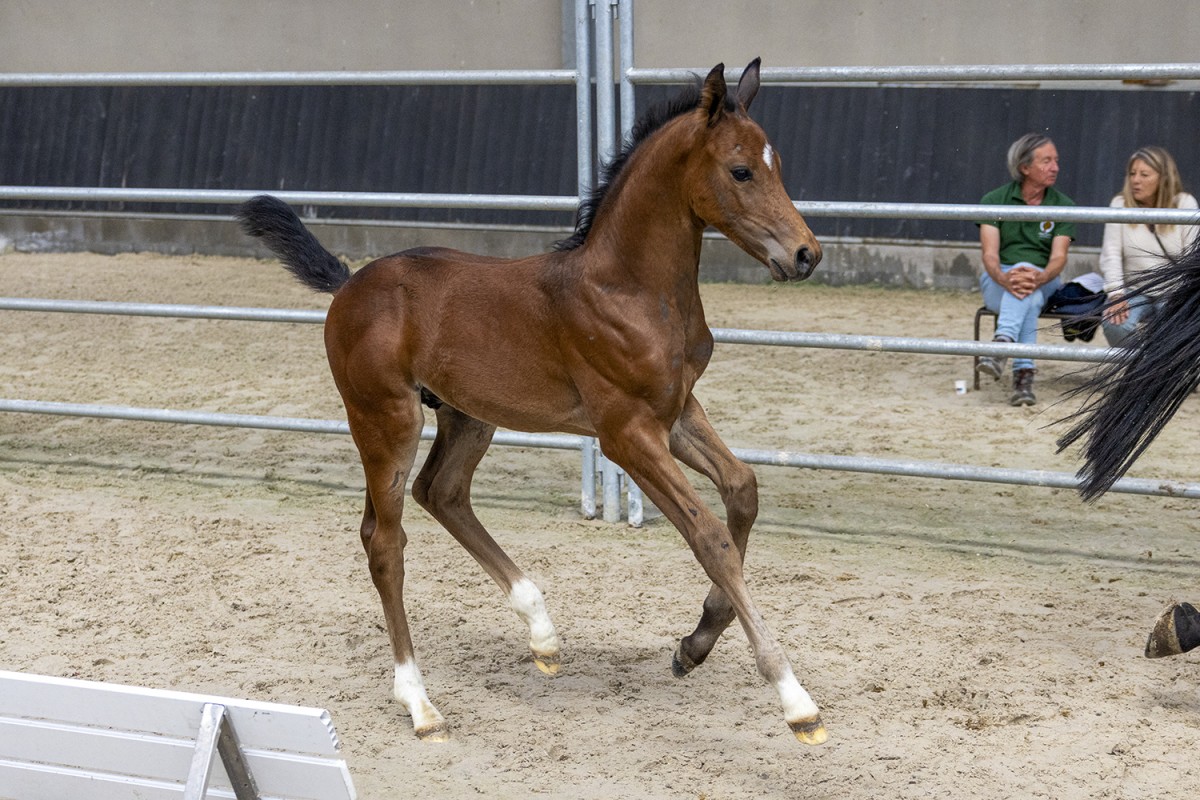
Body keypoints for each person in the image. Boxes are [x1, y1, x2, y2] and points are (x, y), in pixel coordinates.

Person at [975, 133, 1077, 406]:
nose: (1055, 167)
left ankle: (1002, 344)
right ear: (1024, 168)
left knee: (1028, 285)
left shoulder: (1063, 205)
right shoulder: (994, 200)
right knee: (1029, 300)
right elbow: (989, 255)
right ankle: (1024, 379)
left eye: (1056, 160)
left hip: (1044, 279)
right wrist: (1005, 278)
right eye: (1046, 161)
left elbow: (1058, 258)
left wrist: (1039, 276)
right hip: (1002, 280)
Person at [1098, 146, 1199, 347]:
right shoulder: (1120, 204)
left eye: (1144, 174)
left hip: (1175, 291)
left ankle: (1153, 371)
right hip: (1134, 290)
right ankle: (1148, 368)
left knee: (1177, 329)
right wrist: (1116, 294)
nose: (1135, 180)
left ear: (1163, 178)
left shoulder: (1185, 203)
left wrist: (1183, 298)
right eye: (1132, 174)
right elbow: (1111, 254)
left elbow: (1193, 257)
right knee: (1115, 325)